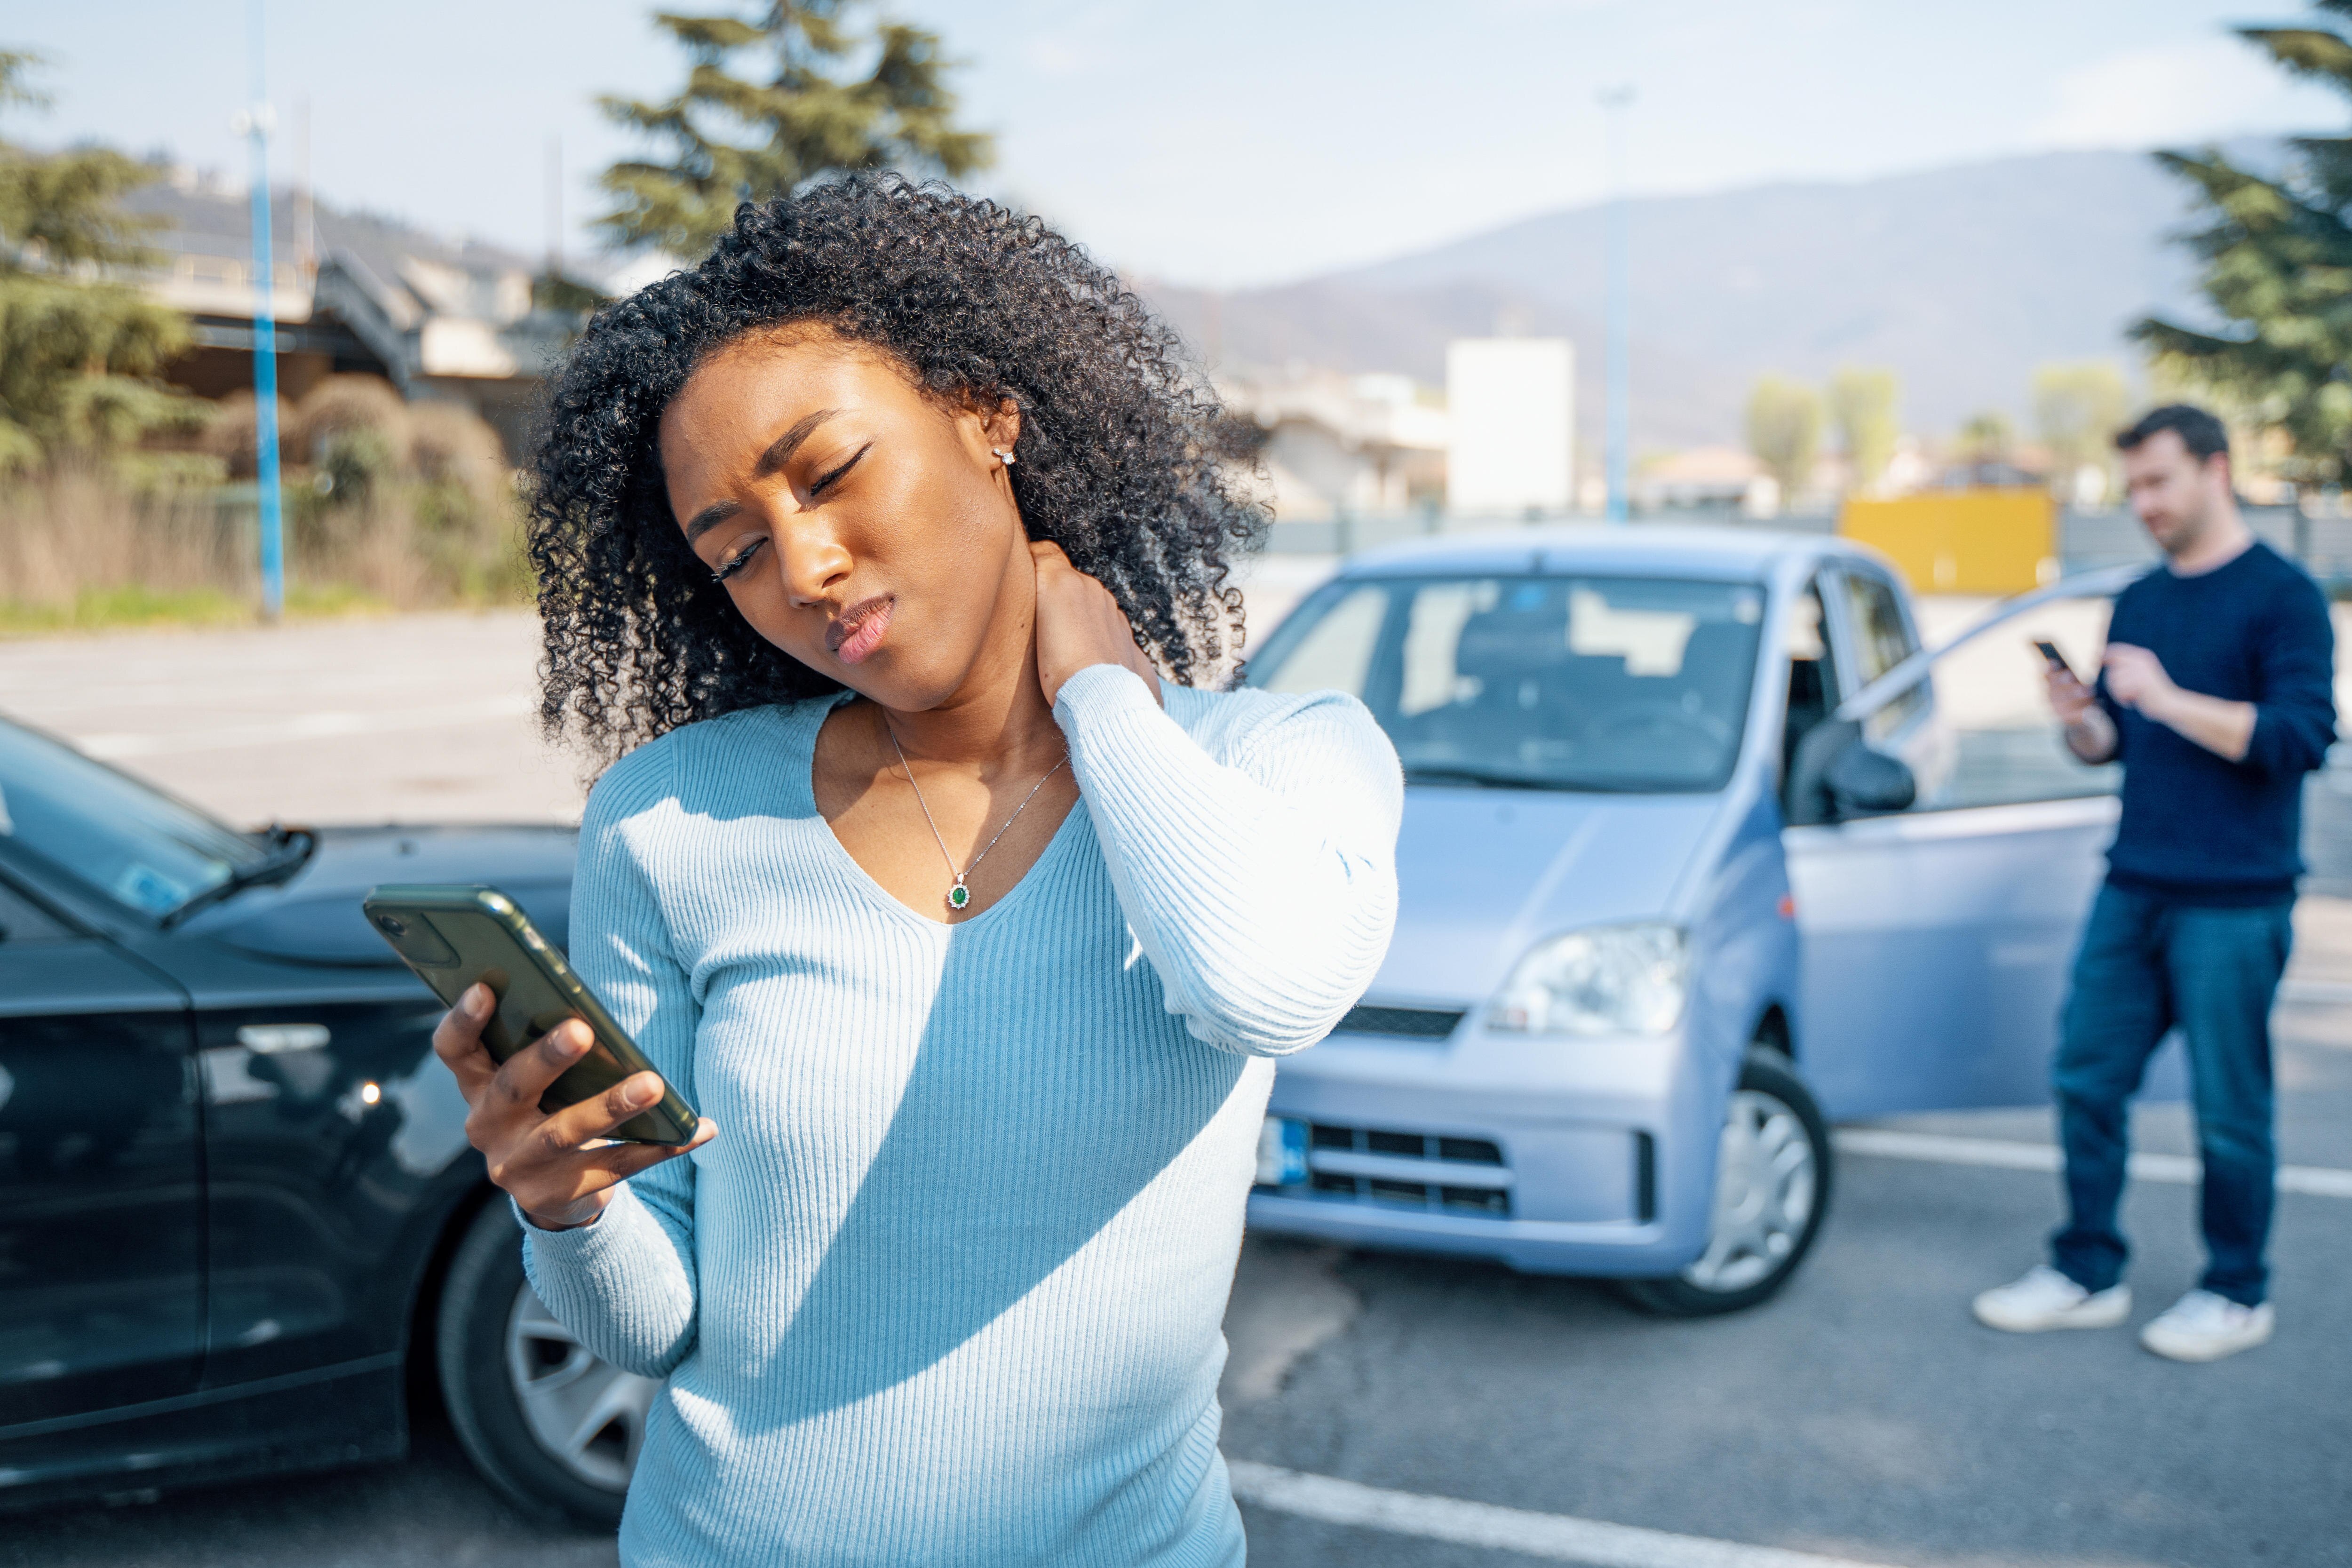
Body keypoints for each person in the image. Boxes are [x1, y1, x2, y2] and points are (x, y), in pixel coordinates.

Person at [429, 176, 1401, 1565]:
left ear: (984, 410)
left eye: (828, 474)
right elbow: (653, 1323)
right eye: (741, 552)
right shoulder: (674, 820)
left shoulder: (1280, 759)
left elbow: (1261, 983)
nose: (808, 566)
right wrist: (564, 1203)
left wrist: (1108, 704)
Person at [1973, 405, 2336, 1362]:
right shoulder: (2138, 599)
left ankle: (2234, 1287)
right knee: (2084, 1077)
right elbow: (2113, 745)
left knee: (2228, 1105)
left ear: (2216, 470)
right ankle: (2086, 1265)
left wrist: (2165, 696)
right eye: (2131, 485)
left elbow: (2299, 738)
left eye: (2157, 481)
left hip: (2236, 899)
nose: (2142, 503)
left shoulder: (2282, 596)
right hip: (2132, 885)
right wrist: (2081, 719)